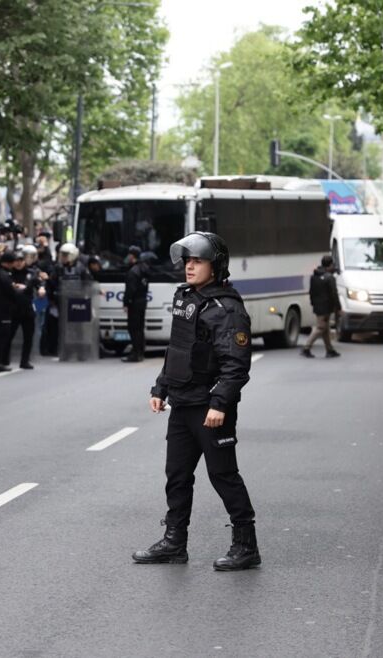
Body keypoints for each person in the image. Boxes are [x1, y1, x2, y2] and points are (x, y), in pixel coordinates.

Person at [133, 232, 260, 571]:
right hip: (182, 403)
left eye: (198, 260)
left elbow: (236, 365)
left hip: (210, 407)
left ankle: (246, 545)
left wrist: (220, 404)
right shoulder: (187, 298)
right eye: (187, 260)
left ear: (215, 266)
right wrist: (160, 388)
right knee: (176, 475)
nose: (189, 266)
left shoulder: (227, 309)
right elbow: (177, 350)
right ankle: (175, 542)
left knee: (223, 475)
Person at [0, 251, 22, 372]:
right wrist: (18, 291)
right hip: (4, 309)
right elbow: (11, 292)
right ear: (7, 263)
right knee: (2, 337)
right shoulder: (4, 275)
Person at [301, 255, 341, 358]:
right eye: (332, 265)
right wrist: (338, 308)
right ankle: (306, 347)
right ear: (330, 265)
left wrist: (313, 303)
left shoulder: (314, 276)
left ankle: (330, 350)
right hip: (326, 307)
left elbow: (311, 292)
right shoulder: (329, 278)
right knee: (320, 328)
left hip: (317, 306)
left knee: (325, 329)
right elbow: (334, 294)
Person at [10, 249, 41, 369]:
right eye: (16, 261)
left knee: (28, 337)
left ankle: (25, 360)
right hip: (13, 308)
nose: (18, 263)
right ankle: (4, 359)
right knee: (8, 335)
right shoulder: (9, 273)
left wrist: (41, 288)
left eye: (20, 261)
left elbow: (39, 284)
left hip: (27, 308)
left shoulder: (31, 273)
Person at [122, 248, 152, 362]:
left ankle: (135, 353)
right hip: (142, 301)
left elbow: (130, 290)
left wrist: (126, 302)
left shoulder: (133, 271)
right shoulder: (144, 269)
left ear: (132, 256)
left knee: (133, 328)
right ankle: (140, 352)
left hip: (134, 303)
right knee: (140, 328)